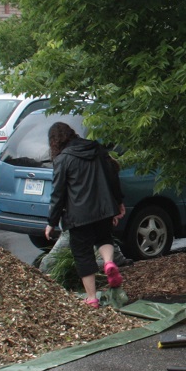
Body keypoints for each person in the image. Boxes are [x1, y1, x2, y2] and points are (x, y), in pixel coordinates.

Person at [44, 122, 126, 307]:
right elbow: (113, 175)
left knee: (83, 255)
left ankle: (92, 298)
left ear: (54, 141)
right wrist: (118, 202)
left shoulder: (62, 159)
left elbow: (58, 193)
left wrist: (51, 222)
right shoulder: (97, 149)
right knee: (104, 238)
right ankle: (108, 263)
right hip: (103, 209)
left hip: (78, 215)